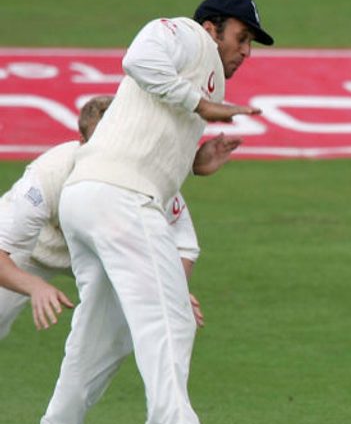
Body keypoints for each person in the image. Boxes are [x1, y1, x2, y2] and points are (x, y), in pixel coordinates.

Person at [6, 0, 273, 424]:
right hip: (118, 200)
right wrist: (200, 105)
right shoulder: (184, 34)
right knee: (170, 321)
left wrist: (197, 160)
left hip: (96, 199)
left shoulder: (201, 72)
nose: (246, 52)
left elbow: (149, 129)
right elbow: (138, 58)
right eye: (241, 38)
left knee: (101, 341)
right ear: (212, 26)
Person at [0, 96, 204, 340]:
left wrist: (172, 293)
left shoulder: (148, 176)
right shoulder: (47, 176)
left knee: (107, 341)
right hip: (34, 249)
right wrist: (35, 286)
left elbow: (182, 246)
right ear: (82, 142)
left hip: (105, 255)